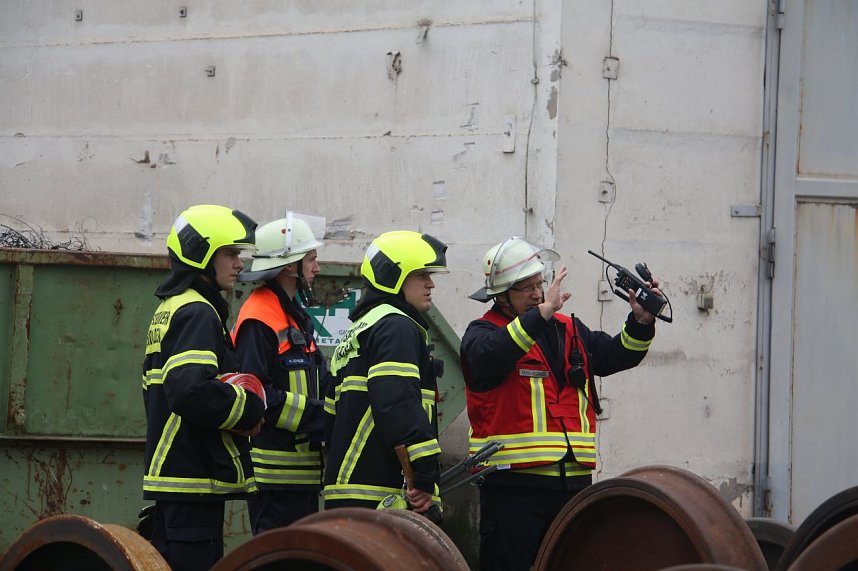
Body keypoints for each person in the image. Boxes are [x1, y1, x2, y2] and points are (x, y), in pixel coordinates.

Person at [460, 236, 660, 571]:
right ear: (501, 295)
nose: (538, 294)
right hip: (513, 490)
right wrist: (541, 315)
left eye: (540, 283)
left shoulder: (571, 329)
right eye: (526, 288)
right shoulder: (482, 334)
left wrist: (640, 321)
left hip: (574, 487)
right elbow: (492, 355)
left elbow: (618, 354)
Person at [141, 204, 266, 571]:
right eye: (230, 254)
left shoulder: (172, 307)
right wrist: (250, 409)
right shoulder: (197, 312)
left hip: (178, 476)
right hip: (190, 474)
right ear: (201, 255)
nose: (239, 264)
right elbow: (190, 390)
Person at [322, 230, 447, 515]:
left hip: (349, 486)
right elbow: (398, 403)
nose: (431, 284)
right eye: (421, 275)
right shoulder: (396, 326)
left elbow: (330, 416)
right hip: (381, 492)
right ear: (392, 277)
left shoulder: (360, 329)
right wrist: (425, 474)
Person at [231, 211, 330, 533]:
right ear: (290, 266)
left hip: (300, 475)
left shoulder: (295, 315)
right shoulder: (260, 317)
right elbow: (255, 395)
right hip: (274, 478)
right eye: (311, 259)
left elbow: (316, 380)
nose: (317, 267)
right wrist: (322, 416)